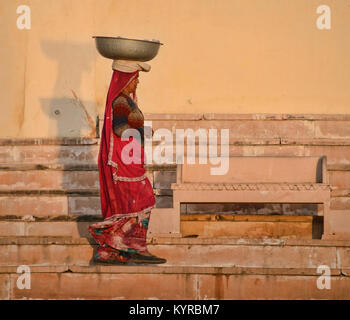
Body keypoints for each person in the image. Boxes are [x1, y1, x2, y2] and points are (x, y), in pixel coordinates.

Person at [88, 60, 166, 265]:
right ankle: (129, 248)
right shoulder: (121, 101)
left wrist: (142, 132)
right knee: (142, 199)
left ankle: (115, 250)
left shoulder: (125, 100)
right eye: (135, 78)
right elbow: (120, 129)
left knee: (133, 203)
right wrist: (142, 131)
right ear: (126, 79)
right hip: (124, 163)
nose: (137, 82)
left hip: (129, 159)